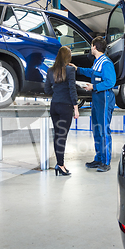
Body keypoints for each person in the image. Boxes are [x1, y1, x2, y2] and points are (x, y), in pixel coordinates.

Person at [70, 36, 116, 172]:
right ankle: (99, 158)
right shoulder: (98, 62)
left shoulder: (106, 63)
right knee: (96, 129)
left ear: (95, 47)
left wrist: (93, 87)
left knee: (104, 130)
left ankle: (106, 162)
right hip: (97, 98)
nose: (91, 48)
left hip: (104, 98)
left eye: (91, 46)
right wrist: (77, 69)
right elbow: (91, 72)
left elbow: (110, 82)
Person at [45, 46, 79, 176]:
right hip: (65, 107)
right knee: (62, 137)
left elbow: (47, 89)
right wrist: (76, 108)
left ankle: (60, 164)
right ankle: (60, 165)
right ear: (68, 57)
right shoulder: (70, 70)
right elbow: (72, 89)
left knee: (57, 135)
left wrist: (57, 92)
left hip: (54, 106)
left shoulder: (50, 70)